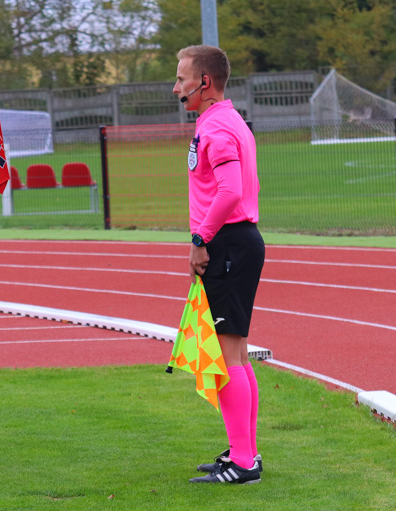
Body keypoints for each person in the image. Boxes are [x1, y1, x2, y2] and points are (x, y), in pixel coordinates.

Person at [172, 45, 265, 485]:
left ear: (203, 82)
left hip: (227, 244)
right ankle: (244, 452)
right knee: (238, 355)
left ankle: (244, 463)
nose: (177, 88)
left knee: (228, 357)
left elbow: (228, 192)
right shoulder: (226, 121)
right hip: (236, 243)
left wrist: (199, 240)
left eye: (181, 79)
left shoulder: (218, 128)